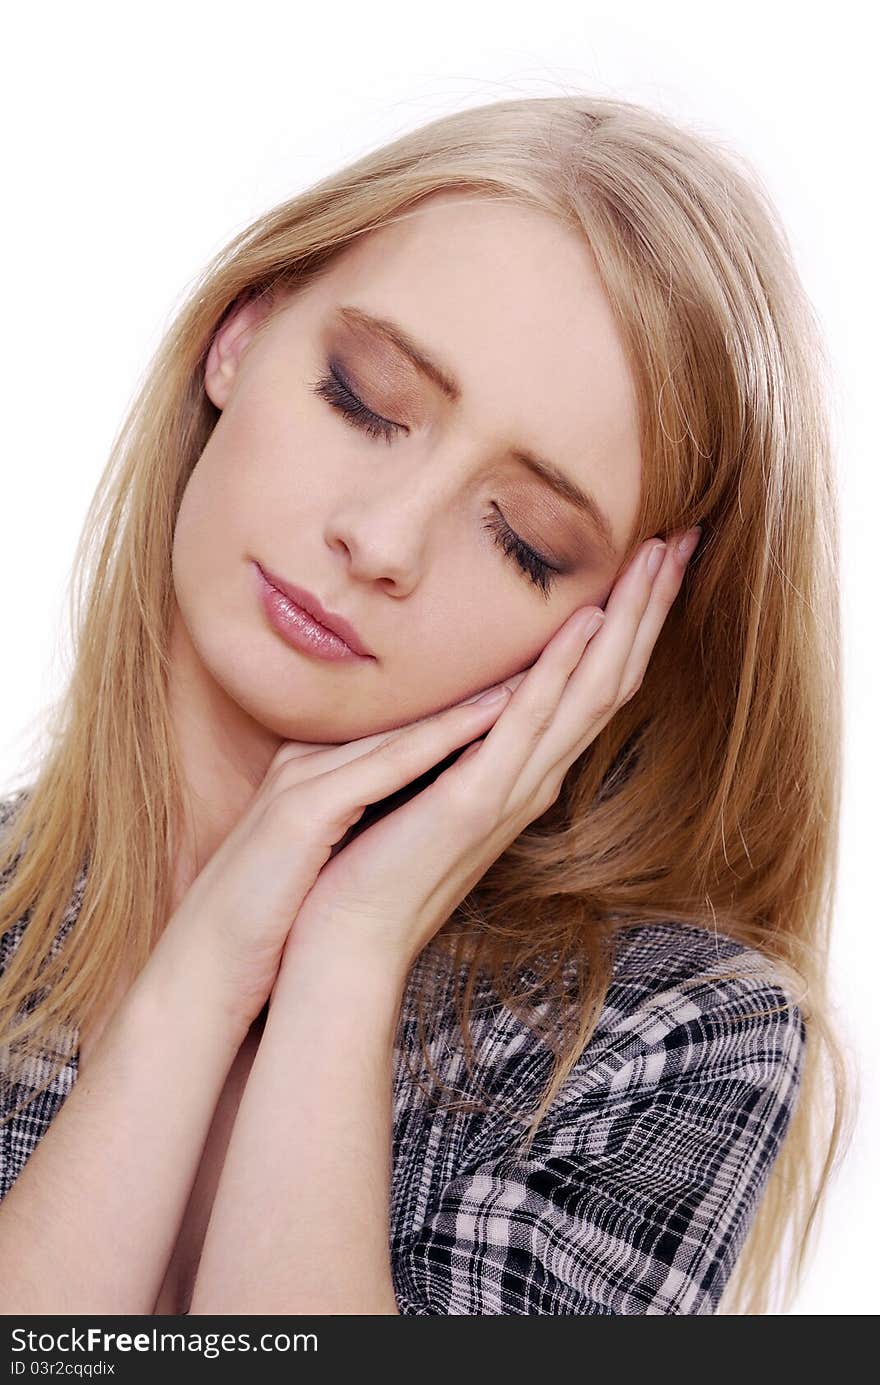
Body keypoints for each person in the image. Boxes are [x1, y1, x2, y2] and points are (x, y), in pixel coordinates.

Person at [0, 93, 852, 1316]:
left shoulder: (674, 1036)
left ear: (615, 633)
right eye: (363, 397)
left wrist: (348, 947)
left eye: (525, 538)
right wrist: (197, 977)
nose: (383, 540)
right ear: (240, 335)